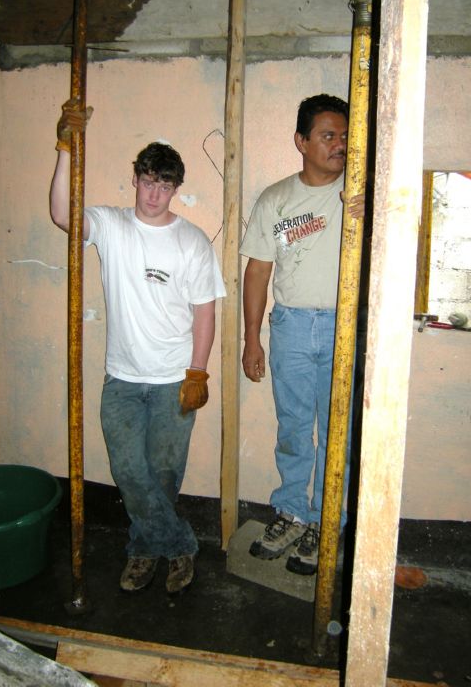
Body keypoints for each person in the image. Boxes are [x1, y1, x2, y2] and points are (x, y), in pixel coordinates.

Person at [50, 100, 226, 594]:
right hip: (123, 380)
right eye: (148, 182)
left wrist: (198, 372)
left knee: (164, 476)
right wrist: (65, 146)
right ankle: (181, 546)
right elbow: (62, 214)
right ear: (135, 179)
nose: (154, 194)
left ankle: (143, 551)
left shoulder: (192, 242)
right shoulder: (111, 226)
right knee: (128, 471)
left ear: (175, 189)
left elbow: (205, 312)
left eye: (165, 186)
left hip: (174, 379)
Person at [239, 93, 364, 576]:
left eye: (345, 136)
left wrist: (371, 211)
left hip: (343, 326)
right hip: (290, 326)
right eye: (328, 135)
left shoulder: (359, 193)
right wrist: (253, 339)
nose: (340, 144)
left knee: (339, 431)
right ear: (302, 141)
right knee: (293, 427)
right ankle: (292, 513)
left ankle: (328, 522)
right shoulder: (276, 199)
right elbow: (257, 272)